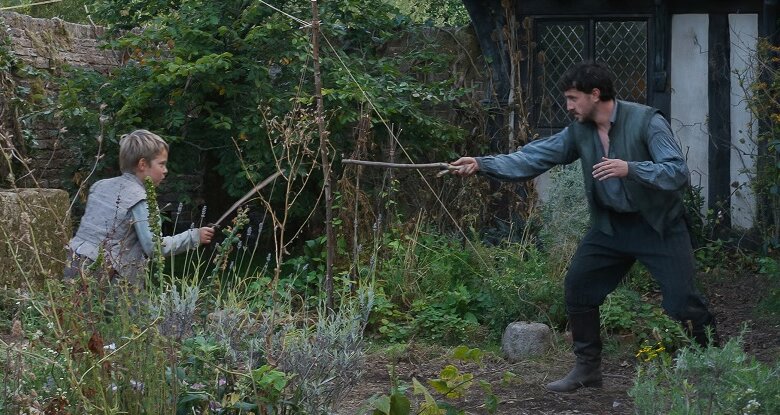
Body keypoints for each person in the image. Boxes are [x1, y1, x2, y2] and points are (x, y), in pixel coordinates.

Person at [451, 62, 717, 393]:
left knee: (682, 302)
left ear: (595, 94)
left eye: (573, 98)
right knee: (579, 287)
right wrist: (482, 163)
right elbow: (533, 156)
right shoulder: (579, 131)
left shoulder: (646, 121)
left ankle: (711, 365)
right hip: (611, 227)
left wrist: (631, 168)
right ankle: (587, 370)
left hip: (657, 225)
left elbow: (676, 171)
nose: (568, 106)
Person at [66, 129, 215, 287]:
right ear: (142, 164)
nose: (165, 170)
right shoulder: (140, 199)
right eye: (161, 164)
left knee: (74, 304)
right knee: (136, 304)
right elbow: (154, 247)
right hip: (108, 277)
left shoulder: (99, 186)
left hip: (73, 264)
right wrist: (194, 237)